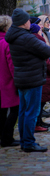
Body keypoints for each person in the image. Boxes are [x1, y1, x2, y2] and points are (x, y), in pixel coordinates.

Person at [5, 9, 50, 152]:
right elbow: (47, 51)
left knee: (24, 111)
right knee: (31, 111)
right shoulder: (26, 37)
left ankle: (26, 141)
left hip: (22, 78)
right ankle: (28, 142)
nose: (29, 22)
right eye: (28, 20)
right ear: (23, 23)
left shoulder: (14, 36)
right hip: (32, 79)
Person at [0, 15, 20, 147]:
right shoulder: (7, 43)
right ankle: (7, 138)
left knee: (1, 112)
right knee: (15, 110)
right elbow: (12, 64)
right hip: (7, 82)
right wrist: (18, 80)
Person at [30, 23, 50, 132]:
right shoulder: (39, 41)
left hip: (38, 74)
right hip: (40, 74)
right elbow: (46, 58)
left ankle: (38, 122)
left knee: (38, 102)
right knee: (38, 102)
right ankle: (36, 123)